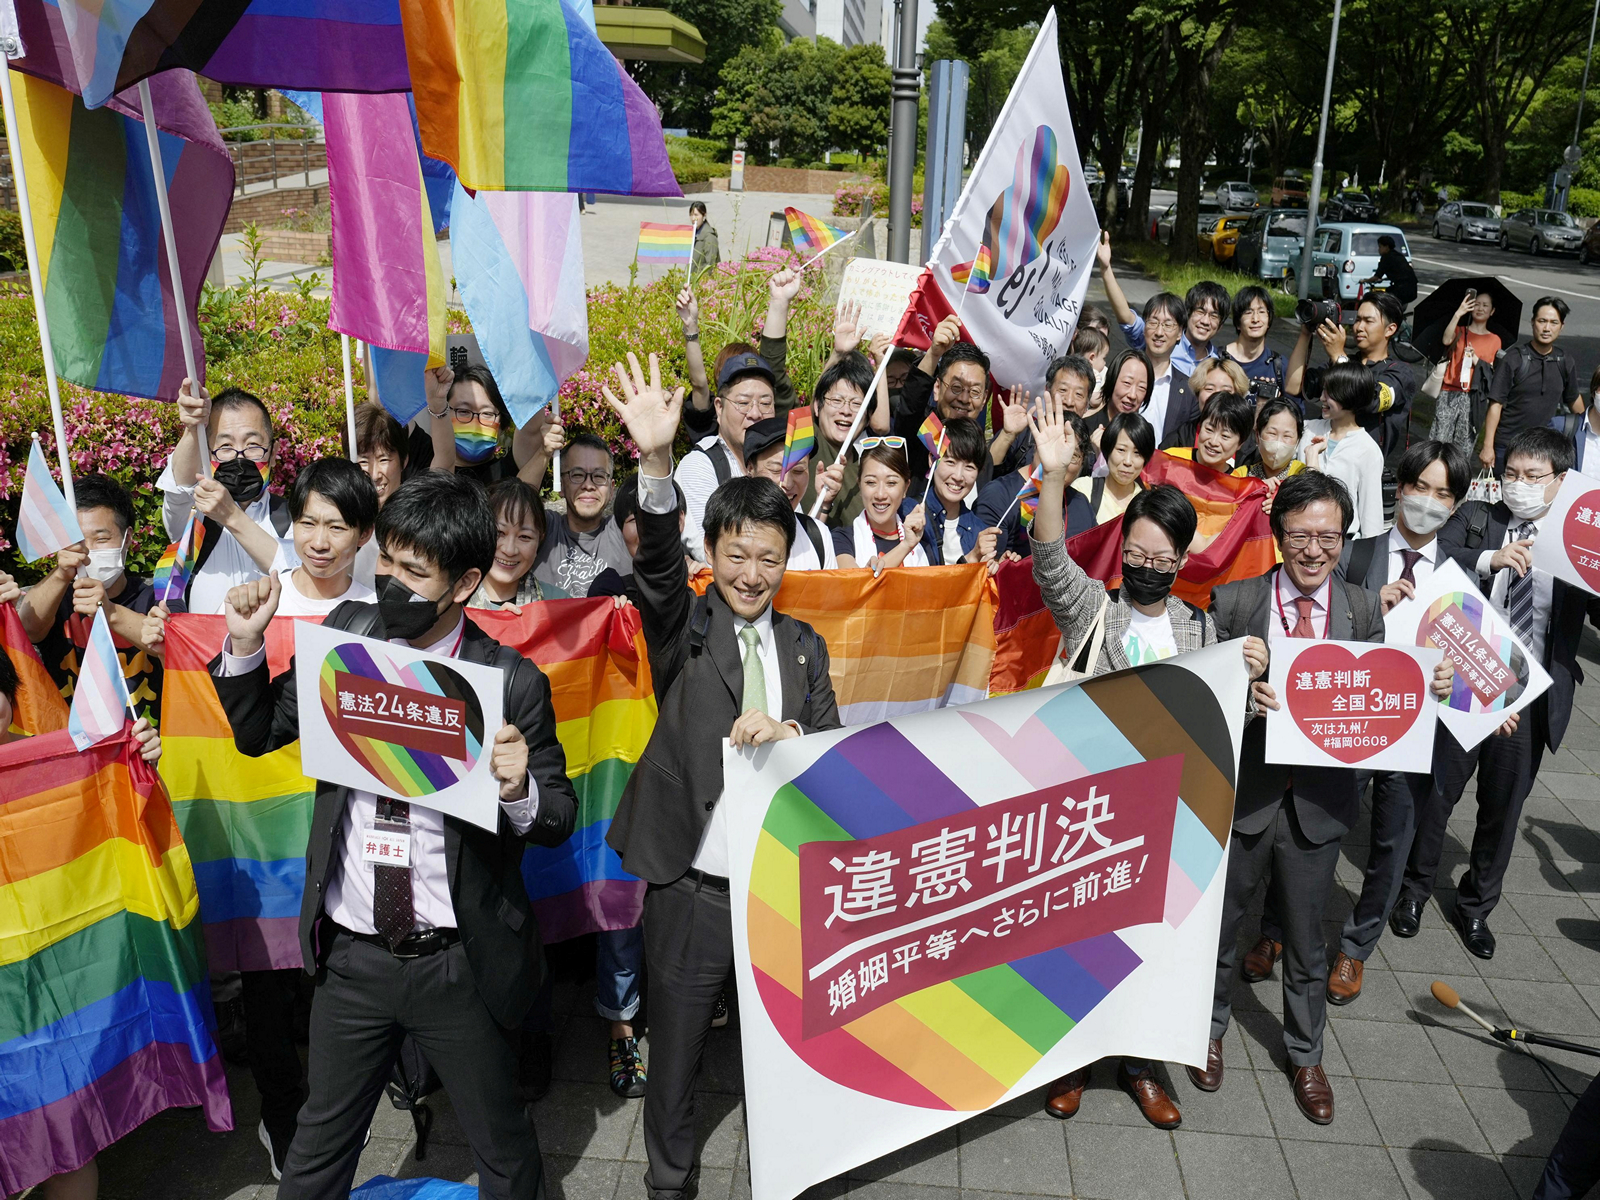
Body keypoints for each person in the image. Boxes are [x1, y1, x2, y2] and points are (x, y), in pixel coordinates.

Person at [209, 470, 578, 1200]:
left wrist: (518, 790)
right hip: (353, 961)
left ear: (466, 583)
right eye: (387, 561)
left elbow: (559, 819)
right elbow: (257, 733)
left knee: (504, 1152)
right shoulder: (347, 636)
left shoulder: (511, 681)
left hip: (458, 965)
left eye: (415, 572)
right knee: (316, 1155)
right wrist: (246, 646)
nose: (391, 582)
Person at [599, 351, 841, 1200]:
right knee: (678, 1053)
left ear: (786, 559)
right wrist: (658, 464)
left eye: (769, 559)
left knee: (777, 1042)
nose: (752, 575)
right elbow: (659, 570)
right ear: (716, 549)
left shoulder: (804, 646)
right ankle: (669, 1181)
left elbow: (834, 749)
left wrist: (793, 729)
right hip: (692, 889)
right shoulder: (686, 628)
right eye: (738, 555)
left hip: (777, 891)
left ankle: (788, 1161)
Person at [1026, 392, 1268, 1125]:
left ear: (1184, 558)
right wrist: (1055, 479)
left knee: (1150, 949)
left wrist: (1253, 678)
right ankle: (1073, 1063)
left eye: (1162, 557)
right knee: (1082, 942)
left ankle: (1140, 1067)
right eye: (1135, 553)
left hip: (1166, 819)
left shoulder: (1203, 630)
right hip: (1090, 812)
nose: (1147, 565)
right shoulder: (1092, 610)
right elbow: (1044, 556)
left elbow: (1230, 713)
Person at [1199, 471, 1453, 1125]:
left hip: (1319, 804)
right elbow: (1196, 710)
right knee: (1224, 928)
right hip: (1247, 796)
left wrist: (1431, 689)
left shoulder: (1364, 609)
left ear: (1345, 538)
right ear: (1278, 534)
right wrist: (1239, 696)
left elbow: (1378, 707)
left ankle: (1305, 1053)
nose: (1315, 550)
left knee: (1309, 941)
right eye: (1301, 536)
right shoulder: (1232, 605)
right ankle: (1208, 1030)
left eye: (1329, 537)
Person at [1244, 443, 1472, 1002]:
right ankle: (1274, 931)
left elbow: (1475, 658)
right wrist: (1373, 604)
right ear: (1402, 489)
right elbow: (1310, 597)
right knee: (1304, 822)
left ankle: (1354, 949)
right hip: (1339, 722)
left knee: (1393, 838)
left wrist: (1477, 699)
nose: (1428, 501)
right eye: (1420, 486)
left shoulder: (1462, 571)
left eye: (1444, 493)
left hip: (1414, 729)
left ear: (1457, 503)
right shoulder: (1353, 552)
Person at [1394, 428, 1591, 959]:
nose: (1520, 485)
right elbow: (1441, 553)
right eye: (1512, 475)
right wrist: (1491, 561)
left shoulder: (1577, 539)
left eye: (1533, 477)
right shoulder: (1482, 517)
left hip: (1531, 695)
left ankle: (1476, 906)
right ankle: (1412, 891)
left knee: (1503, 809)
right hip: (1466, 674)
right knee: (1437, 792)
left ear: (1561, 481)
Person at [0, 647, 163, 1200]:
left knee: (65, 1140)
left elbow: (118, 819)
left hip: (43, 992)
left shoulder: (52, 764)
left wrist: (133, 761)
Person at [17, 473, 164, 723]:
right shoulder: (56, 598)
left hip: (144, 743)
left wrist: (109, 611)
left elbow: (169, 642)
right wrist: (61, 574)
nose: (88, 551)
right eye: (78, 541)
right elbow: (28, 629)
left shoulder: (154, 597)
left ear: (128, 538)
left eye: (101, 539)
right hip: (72, 744)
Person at [158, 381, 295, 615]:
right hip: (204, 649)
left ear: (272, 454)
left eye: (253, 445)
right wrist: (193, 428)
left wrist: (230, 515)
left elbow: (294, 571)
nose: (239, 457)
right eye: (225, 446)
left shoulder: (295, 520)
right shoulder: (194, 518)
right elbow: (178, 490)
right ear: (207, 454)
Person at [1287, 293, 1416, 460]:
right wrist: (1305, 334)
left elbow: (1371, 401)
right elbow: (1293, 386)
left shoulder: (1399, 373)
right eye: (1357, 320)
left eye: (1368, 321)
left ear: (1390, 329)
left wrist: (1339, 357)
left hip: (1361, 465)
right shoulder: (1344, 361)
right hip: (1323, 457)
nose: (1359, 327)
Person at [676, 352, 777, 557]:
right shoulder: (699, 465)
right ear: (719, 408)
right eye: (743, 402)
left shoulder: (781, 464)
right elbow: (709, 552)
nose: (756, 413)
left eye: (765, 403)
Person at [1097, 232, 1226, 376]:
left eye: (1213, 316)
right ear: (1187, 313)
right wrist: (1106, 269)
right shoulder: (1163, 338)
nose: (1205, 321)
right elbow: (1126, 318)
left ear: (1220, 326)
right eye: (1200, 312)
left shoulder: (1218, 364)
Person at [1480, 297, 1582, 473]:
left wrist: (1590, 430)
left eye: (1553, 322)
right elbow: (1495, 404)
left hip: (1545, 450)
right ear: (1533, 322)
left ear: (1561, 326)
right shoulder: (1514, 359)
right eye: (1542, 321)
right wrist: (1488, 446)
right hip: (1509, 447)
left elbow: (1573, 399)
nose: (1547, 328)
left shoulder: (1564, 361)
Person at [975, 412, 1096, 557]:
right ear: (1037, 446)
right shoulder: (999, 495)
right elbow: (983, 566)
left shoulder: (1080, 503)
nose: (1060, 461)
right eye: (1053, 449)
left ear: (1083, 463)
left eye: (1072, 456)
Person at [893, 316, 996, 482]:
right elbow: (910, 408)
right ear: (937, 388)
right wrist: (933, 354)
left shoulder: (983, 458)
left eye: (974, 391)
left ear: (984, 399)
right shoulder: (924, 431)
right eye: (956, 388)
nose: (964, 398)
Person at [422, 363, 556, 487]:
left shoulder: (511, 471)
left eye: (487, 413)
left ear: (502, 425)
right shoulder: (421, 459)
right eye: (463, 411)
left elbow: (531, 426)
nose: (476, 423)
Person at [534, 432, 631, 596]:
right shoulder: (545, 528)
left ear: (611, 488)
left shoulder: (624, 531)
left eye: (599, 476)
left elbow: (658, 516)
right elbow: (515, 503)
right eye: (577, 475)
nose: (588, 485)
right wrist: (543, 453)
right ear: (561, 484)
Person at [801, 351, 892, 527]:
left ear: (868, 416)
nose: (846, 411)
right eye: (837, 400)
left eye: (857, 404)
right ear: (817, 407)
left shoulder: (871, 465)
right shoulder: (805, 443)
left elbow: (882, 425)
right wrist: (836, 353)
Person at [1301, 362, 1386, 539]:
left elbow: (1371, 516)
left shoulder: (1368, 450)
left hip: (1342, 542)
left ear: (1349, 396)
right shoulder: (1307, 430)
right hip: (1299, 532)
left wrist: (1370, 557)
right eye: (1323, 390)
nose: (1322, 398)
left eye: (1330, 393)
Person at [742, 416, 838, 570]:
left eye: (799, 471)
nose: (787, 483)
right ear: (750, 469)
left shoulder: (819, 536)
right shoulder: (729, 529)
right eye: (775, 470)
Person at [586, 476, 691, 605]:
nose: (646, 529)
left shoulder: (702, 583)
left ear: (680, 521)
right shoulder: (608, 588)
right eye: (634, 520)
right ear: (621, 531)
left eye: (657, 517)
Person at [904, 417, 995, 564]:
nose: (958, 476)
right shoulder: (906, 512)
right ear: (932, 460)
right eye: (950, 462)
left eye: (969, 467)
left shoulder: (979, 531)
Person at [833, 438, 931, 570]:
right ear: (859, 486)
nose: (880, 494)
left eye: (891, 483)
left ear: (906, 488)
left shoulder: (923, 547)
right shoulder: (841, 540)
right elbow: (856, 586)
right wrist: (906, 545)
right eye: (871, 482)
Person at [1430, 289, 1501, 456]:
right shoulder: (1460, 330)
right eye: (1477, 304)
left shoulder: (1495, 340)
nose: (1480, 308)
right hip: (1449, 392)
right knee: (1438, 441)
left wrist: (1476, 360)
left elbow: (1492, 372)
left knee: (1463, 447)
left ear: (1492, 311)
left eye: (1485, 305)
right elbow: (1446, 340)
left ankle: (1456, 480)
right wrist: (1458, 314)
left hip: (1473, 397)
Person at [471, 478, 556, 608]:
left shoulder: (558, 605)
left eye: (524, 537)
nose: (509, 550)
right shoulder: (449, 605)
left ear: (540, 540)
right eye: (499, 533)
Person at [352, 401, 410, 588]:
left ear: (404, 461)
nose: (375, 474)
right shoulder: (342, 520)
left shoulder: (417, 519)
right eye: (363, 460)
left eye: (384, 459)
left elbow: (444, 462)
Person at [1074, 412, 1152, 523]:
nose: (1128, 462)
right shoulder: (1082, 491)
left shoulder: (1149, 505)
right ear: (1107, 450)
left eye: (1137, 453)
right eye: (1121, 450)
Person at [1164, 390, 1255, 478]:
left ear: (1240, 444)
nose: (1213, 442)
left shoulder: (1237, 487)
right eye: (1209, 430)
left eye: (1225, 436)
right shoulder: (1170, 459)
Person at [1083, 349, 1155, 454]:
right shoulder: (1086, 427)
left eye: (1141, 387)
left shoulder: (1145, 434)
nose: (1132, 395)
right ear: (1112, 379)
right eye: (1127, 383)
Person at [1225, 285, 1288, 398]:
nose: (1255, 319)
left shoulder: (1279, 366)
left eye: (1261, 312)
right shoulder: (1219, 359)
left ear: (1269, 320)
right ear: (1238, 323)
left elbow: (1294, 412)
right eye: (1248, 312)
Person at [1245, 398, 1307, 483]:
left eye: (1287, 436)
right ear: (1257, 435)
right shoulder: (1241, 476)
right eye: (1272, 433)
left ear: (1298, 440)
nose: (1278, 443)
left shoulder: (1303, 474)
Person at [1363, 234, 1417, 308]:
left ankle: (1391, 318)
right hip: (1412, 288)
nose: (1378, 249)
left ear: (1387, 247)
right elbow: (1400, 273)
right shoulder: (1398, 255)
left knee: (1385, 300)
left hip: (1402, 289)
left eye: (1380, 247)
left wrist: (1365, 280)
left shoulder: (1386, 258)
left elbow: (1377, 276)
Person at [688, 199, 719, 280]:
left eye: (696, 215)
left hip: (701, 281)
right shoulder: (694, 233)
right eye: (691, 215)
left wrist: (697, 279)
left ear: (704, 215)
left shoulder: (709, 236)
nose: (693, 218)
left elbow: (710, 264)